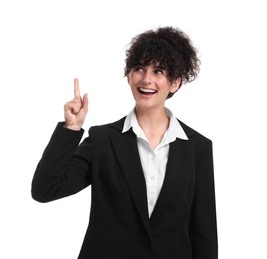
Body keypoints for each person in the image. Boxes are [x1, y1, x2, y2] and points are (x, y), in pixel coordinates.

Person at [31, 26, 218, 259]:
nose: (146, 79)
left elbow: (204, 235)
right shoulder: (102, 140)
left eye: (158, 71)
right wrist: (71, 128)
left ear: (175, 83)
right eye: (139, 68)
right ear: (129, 76)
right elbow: (45, 189)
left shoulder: (197, 147)